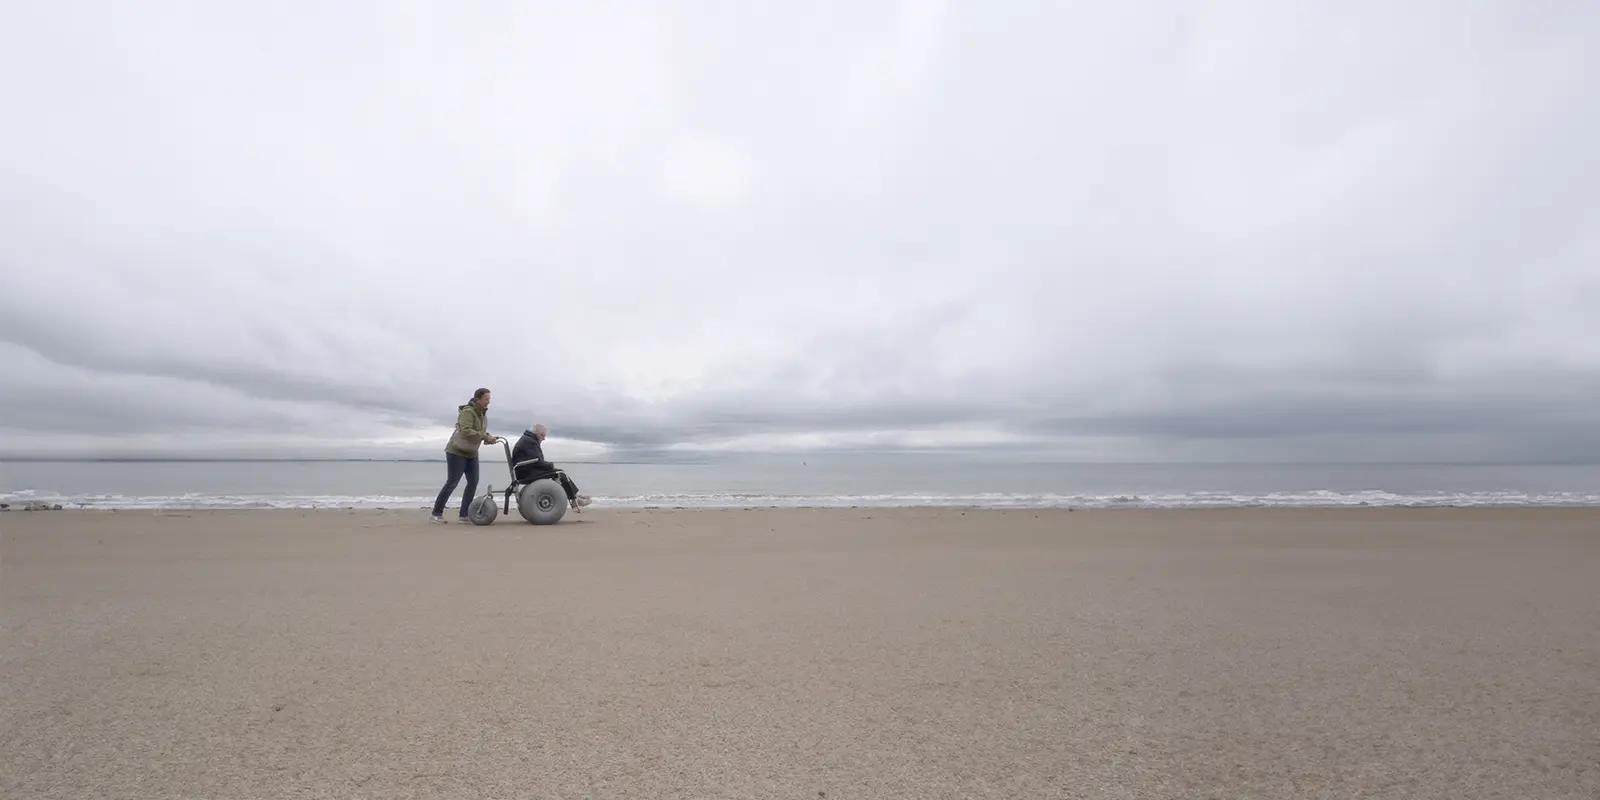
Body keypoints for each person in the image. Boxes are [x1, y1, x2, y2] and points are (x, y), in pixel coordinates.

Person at [430, 388, 501, 524]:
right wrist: (486, 436)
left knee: (473, 483)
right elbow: (467, 431)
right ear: (478, 399)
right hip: (456, 452)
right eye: (486, 399)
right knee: (452, 483)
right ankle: (436, 513)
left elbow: (479, 434)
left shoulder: (483, 416)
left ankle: (464, 515)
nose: (488, 402)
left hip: (472, 453)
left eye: (489, 400)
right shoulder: (467, 412)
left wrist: (488, 440)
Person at [511, 423, 592, 511]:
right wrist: (550, 465)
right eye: (543, 436)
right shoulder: (530, 442)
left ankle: (575, 496)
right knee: (560, 473)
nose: (544, 438)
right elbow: (537, 462)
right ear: (537, 434)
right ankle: (575, 499)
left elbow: (534, 460)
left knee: (559, 472)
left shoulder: (528, 439)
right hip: (526, 473)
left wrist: (547, 466)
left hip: (525, 470)